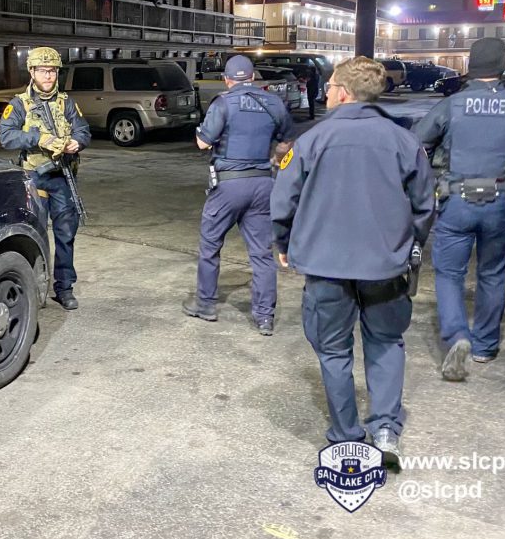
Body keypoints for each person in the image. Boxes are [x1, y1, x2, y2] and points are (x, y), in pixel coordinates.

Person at [271, 56, 435, 466]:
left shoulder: (312, 141)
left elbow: (283, 201)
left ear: (342, 92)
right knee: (385, 342)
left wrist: (284, 242)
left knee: (333, 351)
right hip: (385, 265)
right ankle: (384, 431)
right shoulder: (403, 140)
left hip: (326, 266)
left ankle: (346, 435)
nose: (325, 92)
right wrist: (408, 244)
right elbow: (424, 205)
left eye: (329, 87)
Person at [415, 37, 505, 381]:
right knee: (492, 273)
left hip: (456, 200)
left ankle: (457, 336)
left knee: (449, 273)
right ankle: (485, 345)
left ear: (470, 67)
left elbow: (417, 142)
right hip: (501, 201)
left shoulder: (452, 105)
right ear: (502, 67)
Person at [184, 54, 296, 335]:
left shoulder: (223, 103)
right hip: (262, 184)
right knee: (261, 253)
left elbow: (201, 143)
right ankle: (264, 317)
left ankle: (206, 304)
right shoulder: (273, 103)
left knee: (210, 246)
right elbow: (286, 142)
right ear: (254, 77)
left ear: (227, 79)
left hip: (229, 185)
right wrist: (272, 160)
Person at [0, 47, 92, 310]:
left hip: (62, 178)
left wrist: (76, 142)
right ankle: (33, 289)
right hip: (34, 179)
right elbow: (7, 136)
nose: (48, 75)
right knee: (35, 235)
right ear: (32, 72)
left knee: (66, 235)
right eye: (43, 70)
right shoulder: (19, 104)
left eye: (52, 70)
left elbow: (84, 130)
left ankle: (64, 288)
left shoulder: (67, 103)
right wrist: (39, 138)